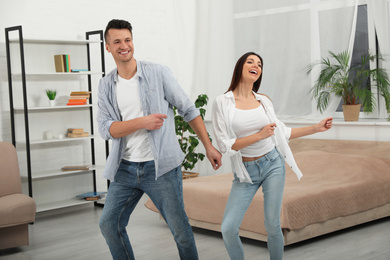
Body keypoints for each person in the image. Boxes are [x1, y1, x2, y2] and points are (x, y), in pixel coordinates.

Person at [97, 19, 222, 260]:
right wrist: (142, 122)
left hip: (161, 167)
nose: (124, 46)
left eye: (127, 40)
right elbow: (105, 129)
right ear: (108, 47)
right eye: (117, 42)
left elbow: (188, 109)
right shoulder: (106, 85)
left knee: (181, 232)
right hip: (124, 168)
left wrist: (208, 146)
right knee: (109, 224)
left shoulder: (157, 73)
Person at [211, 52, 333, 260]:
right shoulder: (222, 102)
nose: (256, 66)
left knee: (272, 224)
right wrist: (258, 136)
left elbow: (282, 133)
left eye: (259, 64)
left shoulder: (264, 101)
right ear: (240, 67)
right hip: (246, 171)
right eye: (250, 62)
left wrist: (316, 128)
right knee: (228, 228)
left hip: (272, 165)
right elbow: (225, 145)